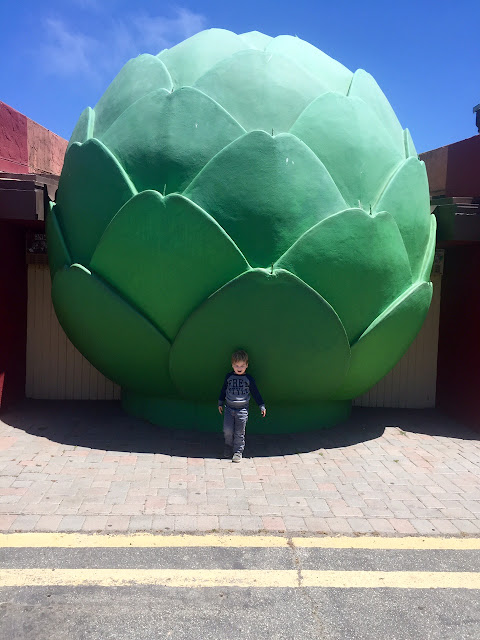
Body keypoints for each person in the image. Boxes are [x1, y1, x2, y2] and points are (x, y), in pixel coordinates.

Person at [218, 349, 266, 462]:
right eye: (236, 365)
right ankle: (228, 446)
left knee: (239, 432)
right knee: (227, 430)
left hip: (242, 409)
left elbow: (255, 392)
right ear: (232, 365)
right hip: (229, 408)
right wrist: (220, 402)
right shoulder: (229, 377)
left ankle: (238, 451)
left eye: (242, 365)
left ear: (247, 365)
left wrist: (261, 405)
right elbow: (223, 390)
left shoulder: (248, 379)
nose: (239, 368)